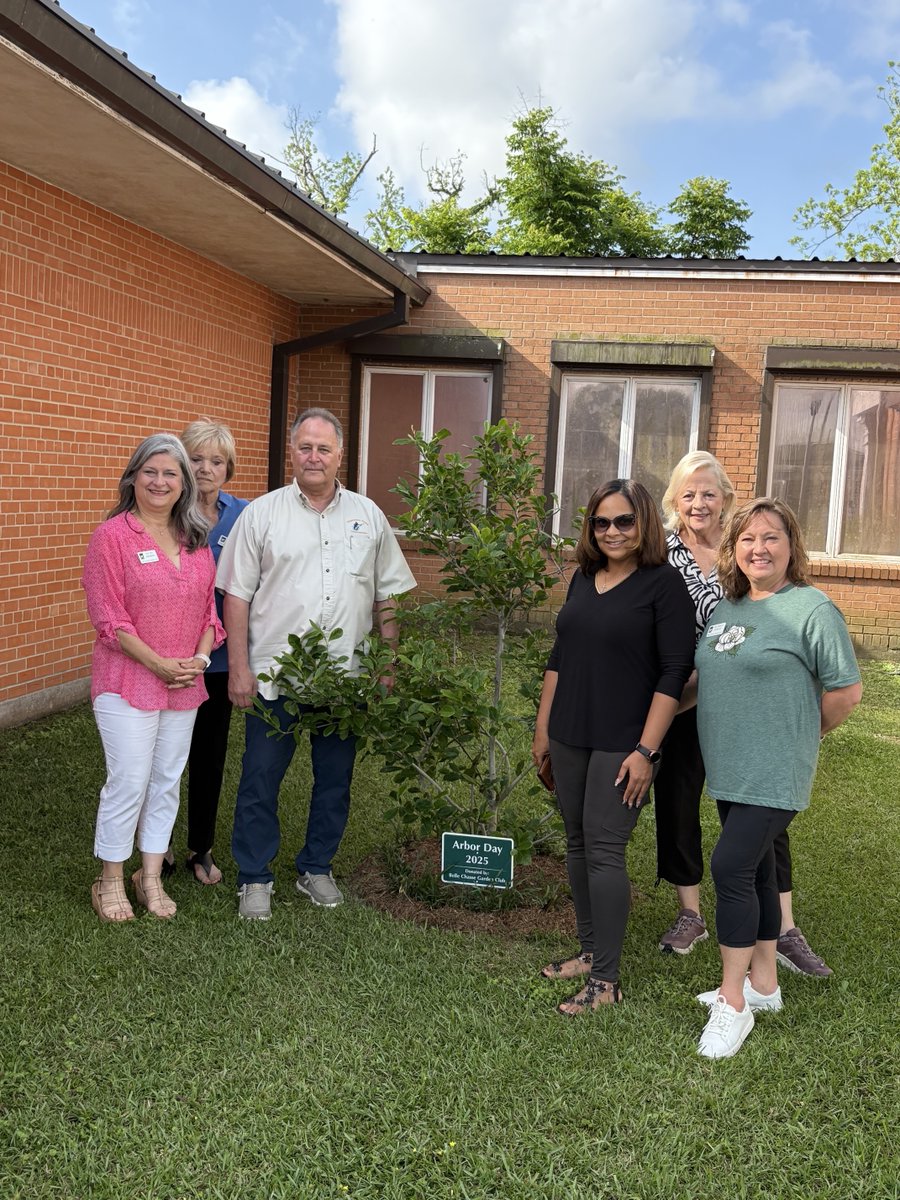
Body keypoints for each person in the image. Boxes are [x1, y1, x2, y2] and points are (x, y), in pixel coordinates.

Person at [217, 407, 417, 920]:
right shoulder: (261, 515)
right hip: (274, 677)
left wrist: (387, 663)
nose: (313, 456)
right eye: (305, 446)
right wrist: (239, 668)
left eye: (323, 448)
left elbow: (387, 595)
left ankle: (316, 867)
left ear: (339, 455)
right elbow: (236, 596)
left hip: (344, 680)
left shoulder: (368, 516)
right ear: (291, 452)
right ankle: (254, 876)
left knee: (334, 780)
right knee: (260, 778)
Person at [692, 498, 861, 1058]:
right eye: (747, 539)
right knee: (759, 870)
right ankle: (764, 985)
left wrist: (802, 737)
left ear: (792, 547)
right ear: (733, 548)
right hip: (730, 767)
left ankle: (732, 1002)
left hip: (774, 769)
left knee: (730, 866)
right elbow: (707, 679)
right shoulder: (728, 607)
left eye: (771, 538)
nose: (758, 549)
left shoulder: (812, 609)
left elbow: (846, 690)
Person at [656, 454, 835, 977]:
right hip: (686, 689)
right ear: (674, 499)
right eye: (688, 493)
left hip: (752, 696)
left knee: (761, 815)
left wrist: (800, 728)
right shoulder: (660, 552)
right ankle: (690, 913)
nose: (698, 503)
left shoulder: (745, 548)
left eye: (708, 493)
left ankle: (783, 929)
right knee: (679, 800)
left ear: (726, 499)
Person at [532, 479, 695, 1012]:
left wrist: (646, 752)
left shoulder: (664, 584)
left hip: (624, 741)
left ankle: (606, 981)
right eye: (601, 522)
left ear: (644, 522)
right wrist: (543, 730)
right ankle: (589, 951)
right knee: (578, 843)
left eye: (624, 520)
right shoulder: (585, 576)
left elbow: (674, 672)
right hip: (569, 733)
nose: (612, 531)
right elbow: (560, 656)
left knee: (604, 848)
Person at [82, 434, 224, 922]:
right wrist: (159, 663)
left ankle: (149, 876)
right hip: (127, 681)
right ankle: (109, 881)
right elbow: (109, 618)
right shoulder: (113, 537)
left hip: (184, 684)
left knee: (165, 781)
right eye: (150, 471)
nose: (160, 482)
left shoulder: (195, 540)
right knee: (129, 780)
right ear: (133, 477)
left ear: (184, 483)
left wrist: (199, 660)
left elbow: (209, 614)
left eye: (170, 473)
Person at [167, 419, 248, 885]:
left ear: (228, 468)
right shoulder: (165, 510)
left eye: (216, 461)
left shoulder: (245, 515)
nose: (205, 469)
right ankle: (157, 847)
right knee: (163, 759)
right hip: (170, 659)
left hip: (216, 661)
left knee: (209, 756)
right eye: (195, 459)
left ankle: (200, 848)